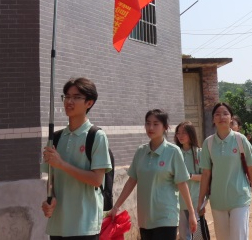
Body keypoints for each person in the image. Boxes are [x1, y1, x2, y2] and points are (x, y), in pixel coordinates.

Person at [106, 109, 197, 240]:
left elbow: (182, 183)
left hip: (166, 218)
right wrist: (116, 206)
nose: (151, 127)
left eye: (155, 124)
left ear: (165, 127)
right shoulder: (140, 152)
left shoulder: (173, 152)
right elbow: (131, 181)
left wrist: (191, 213)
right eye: (148, 123)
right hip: (145, 219)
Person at [41, 77, 112, 240]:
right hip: (58, 225)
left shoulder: (97, 136)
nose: (69, 101)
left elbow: (96, 180)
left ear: (89, 103)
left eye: (76, 97)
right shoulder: (55, 138)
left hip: (84, 225)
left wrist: (62, 164)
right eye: (66, 96)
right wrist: (51, 198)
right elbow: (51, 177)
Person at [198, 103, 252, 240]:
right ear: (213, 119)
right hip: (217, 200)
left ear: (231, 118)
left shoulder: (240, 139)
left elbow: (251, 168)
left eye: (225, 113)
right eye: (217, 114)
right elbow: (206, 174)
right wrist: (200, 201)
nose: (221, 117)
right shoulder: (208, 143)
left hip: (239, 198)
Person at [174, 121, 202, 240]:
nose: (180, 136)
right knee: (184, 235)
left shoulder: (199, 153)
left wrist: (188, 176)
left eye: (184, 133)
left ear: (191, 134)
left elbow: (206, 177)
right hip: (178, 201)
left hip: (195, 199)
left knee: (196, 234)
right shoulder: (175, 153)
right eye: (178, 133)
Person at [230, 116, 252, 202]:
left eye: (232, 124)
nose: (229, 126)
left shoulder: (243, 141)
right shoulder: (216, 143)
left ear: (239, 127)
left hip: (242, 186)